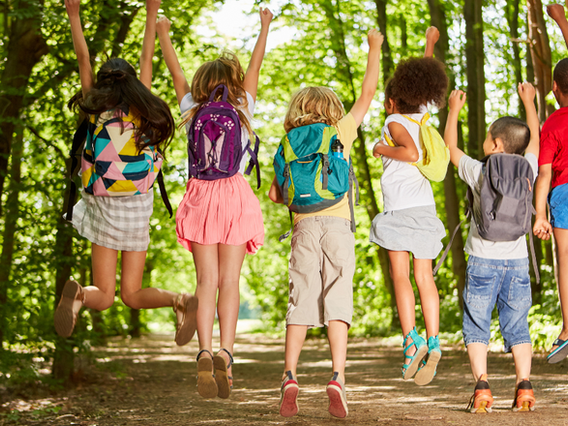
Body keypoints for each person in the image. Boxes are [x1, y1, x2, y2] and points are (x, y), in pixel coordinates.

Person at [55, 0, 198, 346]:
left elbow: (83, 59)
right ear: (132, 81)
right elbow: (148, 59)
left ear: (103, 82)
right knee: (131, 294)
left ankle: (79, 296)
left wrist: (73, 15)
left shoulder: (94, 104)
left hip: (102, 200)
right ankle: (179, 300)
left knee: (103, 296)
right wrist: (151, 13)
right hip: (136, 203)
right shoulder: (142, 103)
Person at [156, 9, 272, 399]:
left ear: (201, 85)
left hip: (201, 196)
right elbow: (256, 64)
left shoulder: (192, 108)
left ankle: (204, 351)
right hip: (235, 195)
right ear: (235, 83)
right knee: (229, 282)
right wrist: (264, 27)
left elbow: (174, 73)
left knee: (205, 282)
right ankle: (227, 351)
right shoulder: (242, 108)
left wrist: (163, 32)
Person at [269, 29, 384, 419]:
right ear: (331, 108)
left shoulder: (287, 142)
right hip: (337, 227)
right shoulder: (340, 133)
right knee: (338, 298)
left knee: (300, 299)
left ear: (298, 109)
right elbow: (367, 94)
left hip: (303, 227)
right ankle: (337, 377)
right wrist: (374, 48)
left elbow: (274, 193)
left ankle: (289, 375)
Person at [445, 83, 539, 413]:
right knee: (518, 324)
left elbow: (450, 149)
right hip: (516, 260)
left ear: (496, 144)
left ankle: (483, 387)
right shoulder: (529, 168)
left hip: (482, 259)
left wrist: (454, 110)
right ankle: (524, 386)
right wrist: (529, 102)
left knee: (476, 323)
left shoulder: (481, 170)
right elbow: (535, 140)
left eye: (487, 137)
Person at [369, 27, 448, 386]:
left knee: (401, 276)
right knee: (425, 277)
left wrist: (381, 149)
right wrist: (429, 45)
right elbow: (424, 78)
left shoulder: (393, 121)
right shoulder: (422, 117)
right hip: (425, 210)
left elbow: (410, 153)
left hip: (400, 212)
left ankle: (410, 339)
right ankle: (434, 339)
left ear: (391, 102)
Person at [533, 2, 568, 364]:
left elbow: (544, 173)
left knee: (565, 260)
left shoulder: (552, 124)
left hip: (563, 194)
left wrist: (539, 214)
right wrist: (561, 21)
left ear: (555, 89)